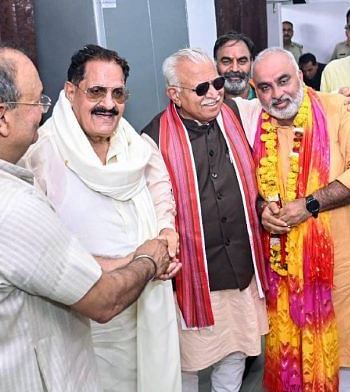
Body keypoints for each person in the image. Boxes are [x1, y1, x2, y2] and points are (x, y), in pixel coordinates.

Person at [0, 43, 172, 391]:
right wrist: (149, 259)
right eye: (36, 102)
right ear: (1, 117)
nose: (42, 114)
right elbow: (103, 299)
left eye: (118, 93)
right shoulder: (11, 203)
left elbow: (43, 263)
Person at [21, 44, 182, 391]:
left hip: (146, 302)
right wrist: (138, 260)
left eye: (118, 94)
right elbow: (41, 251)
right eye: (96, 91)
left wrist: (167, 233)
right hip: (85, 319)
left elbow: (160, 187)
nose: (108, 104)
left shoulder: (136, 146)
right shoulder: (41, 152)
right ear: (70, 91)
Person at [239, 47, 350, 392]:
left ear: (301, 76)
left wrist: (307, 206)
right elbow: (251, 184)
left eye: (283, 81)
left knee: (348, 360)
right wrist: (263, 208)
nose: (277, 94)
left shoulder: (340, 108)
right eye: (264, 87)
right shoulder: (252, 121)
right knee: (293, 356)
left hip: (344, 264)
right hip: (287, 273)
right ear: (254, 89)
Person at [141, 48, 269, 392]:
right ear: (175, 95)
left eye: (217, 83)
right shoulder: (152, 137)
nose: (213, 93)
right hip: (194, 273)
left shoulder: (238, 112)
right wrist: (166, 229)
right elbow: (159, 196)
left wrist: (342, 97)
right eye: (201, 88)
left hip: (241, 262)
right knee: (186, 360)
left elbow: (284, 102)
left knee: (237, 348)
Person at [214, 32, 257, 100]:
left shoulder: (266, 100)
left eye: (242, 61)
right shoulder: (207, 103)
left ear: (252, 63)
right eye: (226, 62)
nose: (235, 69)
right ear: (215, 64)